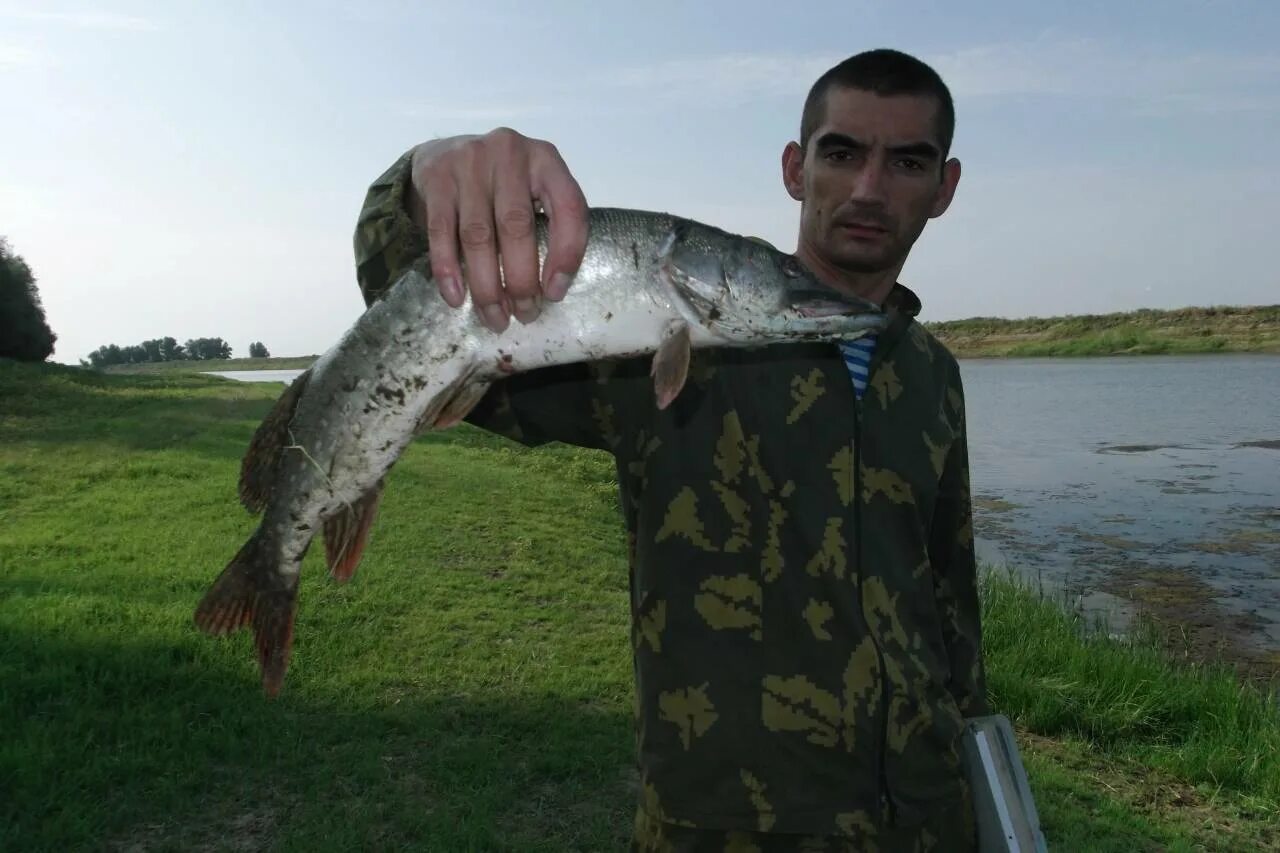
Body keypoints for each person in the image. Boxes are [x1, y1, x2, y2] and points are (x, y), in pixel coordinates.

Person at [352, 47, 989, 853]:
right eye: (842, 152)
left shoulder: (932, 373)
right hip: (722, 827)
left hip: (928, 821)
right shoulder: (649, 335)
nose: (869, 187)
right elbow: (408, 297)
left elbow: (948, 594)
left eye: (908, 161)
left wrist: (974, 754)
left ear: (945, 187)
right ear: (796, 168)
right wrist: (421, 177)